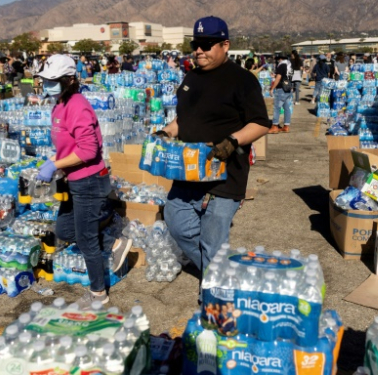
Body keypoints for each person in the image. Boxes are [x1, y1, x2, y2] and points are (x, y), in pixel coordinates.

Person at [156, 16, 270, 273]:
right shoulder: (191, 78)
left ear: (225, 45)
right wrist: (166, 132)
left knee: (212, 239)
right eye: (196, 44)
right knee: (176, 223)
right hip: (188, 169)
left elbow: (261, 123)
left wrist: (232, 141)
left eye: (207, 44)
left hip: (226, 173)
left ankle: (214, 292)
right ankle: (217, 273)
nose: (199, 50)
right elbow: (183, 118)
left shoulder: (242, 80)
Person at [35, 54, 132, 307]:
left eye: (52, 80)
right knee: (66, 231)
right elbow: (69, 145)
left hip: (89, 180)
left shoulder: (77, 105)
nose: (47, 84)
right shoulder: (59, 104)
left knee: (87, 239)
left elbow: (88, 151)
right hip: (74, 180)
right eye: (45, 80)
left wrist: (56, 164)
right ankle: (115, 243)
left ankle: (98, 294)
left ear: (69, 80)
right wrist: (56, 164)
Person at [269, 53, 293, 134]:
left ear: (280, 59)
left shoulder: (281, 65)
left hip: (281, 89)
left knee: (277, 108)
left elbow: (279, 77)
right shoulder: (289, 65)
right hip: (288, 88)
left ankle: (275, 126)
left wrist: (272, 88)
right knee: (286, 107)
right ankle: (286, 126)